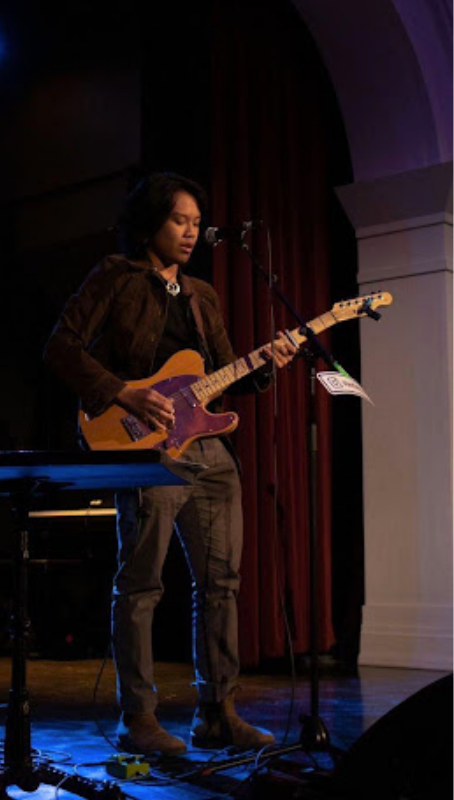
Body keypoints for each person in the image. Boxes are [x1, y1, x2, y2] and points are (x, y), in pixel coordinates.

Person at [43, 172, 297, 756]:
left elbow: (228, 376)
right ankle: (140, 718)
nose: (190, 231)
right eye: (178, 220)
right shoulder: (115, 277)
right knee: (141, 586)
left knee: (221, 585)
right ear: (150, 223)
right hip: (144, 448)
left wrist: (271, 361)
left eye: (194, 222)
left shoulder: (203, 296)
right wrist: (123, 392)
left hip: (208, 451)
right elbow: (60, 346)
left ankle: (217, 713)